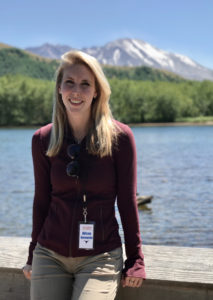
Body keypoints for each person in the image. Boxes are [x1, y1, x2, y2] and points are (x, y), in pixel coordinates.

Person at [23, 50, 146, 300]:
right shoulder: (43, 139)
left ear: (97, 91)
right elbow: (41, 201)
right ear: (59, 88)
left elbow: (126, 202)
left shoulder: (120, 138)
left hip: (100, 256)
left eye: (85, 84)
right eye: (69, 82)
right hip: (49, 254)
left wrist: (135, 259)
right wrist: (32, 254)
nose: (76, 91)